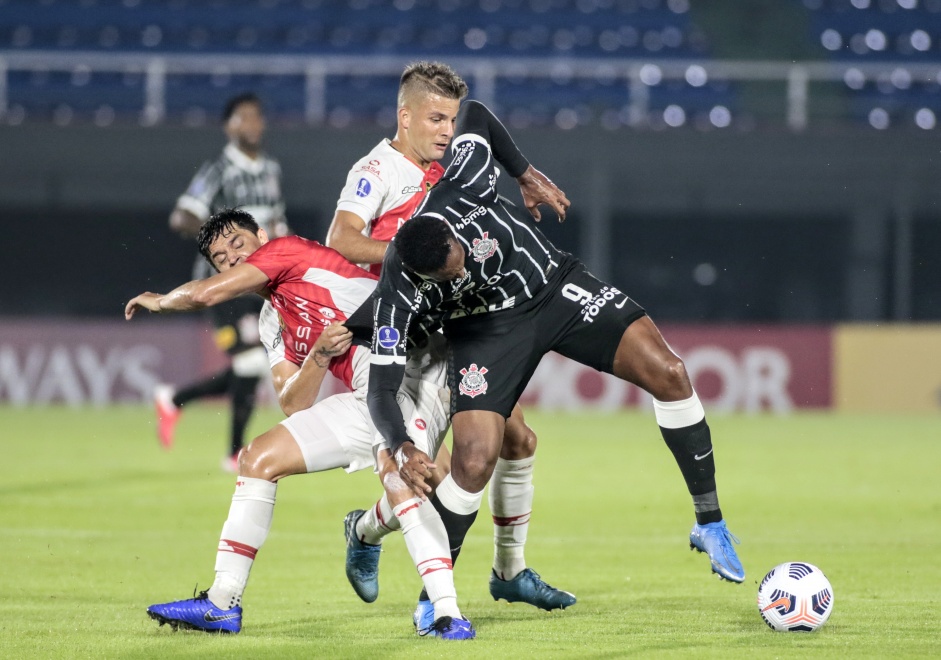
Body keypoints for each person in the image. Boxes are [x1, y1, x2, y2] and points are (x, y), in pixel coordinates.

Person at [364, 100, 746, 606]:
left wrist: (524, 173)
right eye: (447, 277)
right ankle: (435, 597)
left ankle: (710, 523)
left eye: (458, 263)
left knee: (671, 373)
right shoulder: (400, 286)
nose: (459, 274)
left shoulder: (467, 181)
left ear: (455, 235)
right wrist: (399, 443)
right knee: (475, 461)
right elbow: (381, 387)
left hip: (552, 287)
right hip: (484, 330)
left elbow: (474, 113)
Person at [126, 210, 474, 640]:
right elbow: (294, 401)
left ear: (262, 236)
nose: (232, 259)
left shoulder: (286, 252)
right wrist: (318, 356)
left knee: (406, 475)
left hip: (418, 365)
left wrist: (158, 300)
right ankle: (221, 602)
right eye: (220, 257)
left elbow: (203, 297)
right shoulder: (271, 320)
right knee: (257, 458)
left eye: (238, 244)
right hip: (371, 389)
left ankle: (446, 612)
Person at [325, 61, 573, 631]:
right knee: (438, 471)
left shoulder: (446, 168)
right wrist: (410, 257)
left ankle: (509, 572)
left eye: (450, 119)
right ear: (404, 116)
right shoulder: (377, 170)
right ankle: (369, 535)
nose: (445, 130)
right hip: (406, 340)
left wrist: (523, 173)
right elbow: (341, 237)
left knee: (517, 441)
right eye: (435, 118)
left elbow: (482, 125)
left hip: (458, 328)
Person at [155, 92, 289, 472]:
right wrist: (222, 240)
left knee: (253, 366)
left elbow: (277, 224)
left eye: (257, 117)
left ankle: (176, 399)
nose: (253, 124)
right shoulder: (219, 169)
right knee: (249, 362)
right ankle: (233, 453)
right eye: (243, 118)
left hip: (261, 285)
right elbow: (182, 217)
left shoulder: (271, 170)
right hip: (223, 287)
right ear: (229, 126)